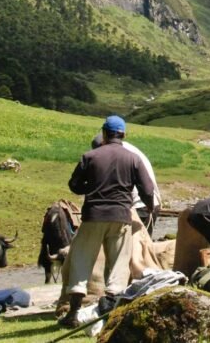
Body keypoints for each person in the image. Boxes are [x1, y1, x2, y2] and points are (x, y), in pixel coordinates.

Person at [61, 115, 154, 327]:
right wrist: (149, 206)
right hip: (121, 217)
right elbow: (147, 190)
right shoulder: (133, 159)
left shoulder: (89, 156)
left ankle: (73, 314)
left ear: (104, 133)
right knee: (118, 265)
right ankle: (110, 312)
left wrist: (91, 188)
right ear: (123, 135)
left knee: (82, 260)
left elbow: (74, 185)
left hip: (93, 215)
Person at [91, 129, 162, 236]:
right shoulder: (127, 148)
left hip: (138, 207)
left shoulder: (118, 155)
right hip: (148, 203)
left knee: (130, 248)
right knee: (142, 248)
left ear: (103, 143)